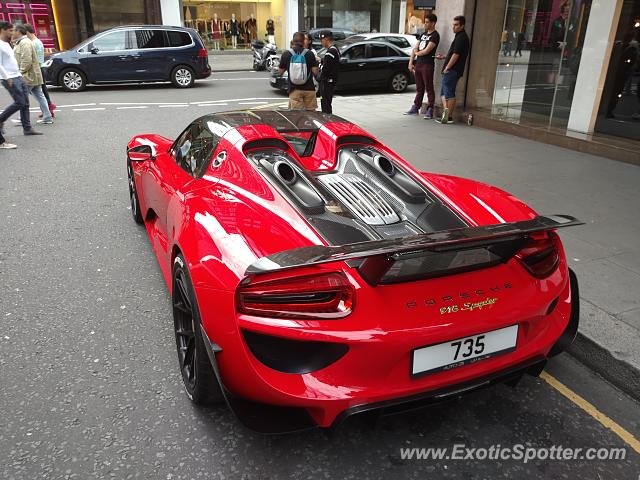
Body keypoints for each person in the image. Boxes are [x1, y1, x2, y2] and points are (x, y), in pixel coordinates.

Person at [0, 21, 42, 136]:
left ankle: (27, 129)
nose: (13, 33)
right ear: (2, 30)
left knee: (25, 103)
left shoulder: (7, 43)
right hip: (10, 78)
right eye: (10, 30)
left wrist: (20, 74)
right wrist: (7, 77)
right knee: (20, 102)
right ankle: (1, 119)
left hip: (18, 76)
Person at [13, 24, 52, 125]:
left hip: (29, 75)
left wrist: (20, 72)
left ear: (19, 32)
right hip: (33, 74)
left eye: (14, 31)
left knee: (22, 97)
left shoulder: (25, 43)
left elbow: (27, 60)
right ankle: (47, 117)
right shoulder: (24, 42)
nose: (12, 32)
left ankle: (22, 119)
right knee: (40, 95)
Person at [435, 15, 470, 124]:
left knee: (449, 93)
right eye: (453, 25)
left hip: (453, 70)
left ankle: (448, 117)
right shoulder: (459, 37)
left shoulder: (462, 38)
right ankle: (446, 115)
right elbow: (453, 54)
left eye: (456, 25)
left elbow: (456, 55)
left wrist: (447, 67)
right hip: (452, 69)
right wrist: (445, 57)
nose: (453, 27)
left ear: (462, 25)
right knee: (443, 93)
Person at [405, 13, 440, 119]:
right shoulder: (423, 34)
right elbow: (415, 48)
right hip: (419, 64)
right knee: (419, 88)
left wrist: (417, 53)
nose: (425, 24)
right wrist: (411, 62)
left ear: (433, 23)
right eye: (425, 22)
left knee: (428, 87)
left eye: (427, 22)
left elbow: (427, 50)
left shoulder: (435, 35)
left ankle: (430, 109)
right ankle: (416, 107)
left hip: (427, 64)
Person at [278, 32, 319, 111]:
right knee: (311, 115)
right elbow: (315, 72)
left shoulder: (286, 54)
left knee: (297, 116)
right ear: (303, 41)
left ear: (293, 41)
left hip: (294, 90)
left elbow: (280, 72)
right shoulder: (310, 54)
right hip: (309, 89)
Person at [25, 23, 55, 117]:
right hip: (40, 68)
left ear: (27, 32)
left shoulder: (34, 43)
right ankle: (47, 109)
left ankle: (48, 109)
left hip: (38, 68)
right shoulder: (37, 41)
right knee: (41, 91)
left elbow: (37, 59)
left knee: (39, 91)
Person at [319, 30, 340, 114]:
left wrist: (320, 65)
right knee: (327, 104)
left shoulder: (330, 52)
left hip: (327, 83)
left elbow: (325, 69)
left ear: (326, 39)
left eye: (321, 40)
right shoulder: (335, 49)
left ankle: (327, 121)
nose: (321, 42)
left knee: (325, 106)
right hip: (331, 82)